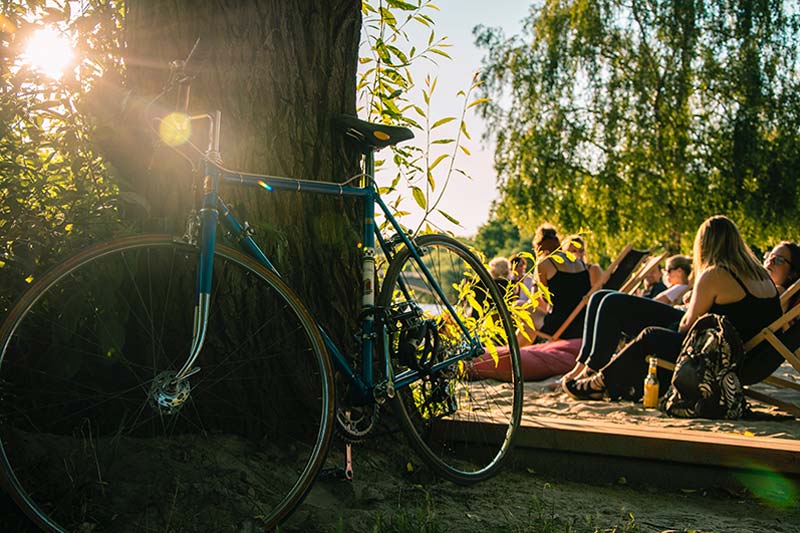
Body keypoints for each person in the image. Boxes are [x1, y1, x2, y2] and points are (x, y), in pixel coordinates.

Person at [564, 215, 782, 401]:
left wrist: (691, 304)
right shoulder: (760, 273)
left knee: (649, 333)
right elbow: (739, 314)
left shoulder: (716, 273)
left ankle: (600, 381)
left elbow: (685, 329)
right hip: (734, 347)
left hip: (714, 352)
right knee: (605, 298)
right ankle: (589, 366)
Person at [517, 225, 591, 345]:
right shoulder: (579, 263)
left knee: (519, 306)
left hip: (560, 326)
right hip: (582, 324)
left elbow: (544, 298)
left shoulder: (544, 263)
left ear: (538, 247)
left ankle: (512, 354)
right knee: (527, 326)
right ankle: (516, 353)